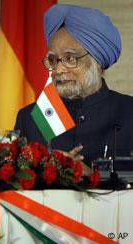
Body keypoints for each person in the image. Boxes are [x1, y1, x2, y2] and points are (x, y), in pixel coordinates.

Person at [15, 4, 133, 166]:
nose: (58, 69)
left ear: (96, 62)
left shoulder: (129, 112)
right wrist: (49, 172)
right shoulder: (32, 118)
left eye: (70, 58)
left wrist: (92, 176)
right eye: (52, 60)